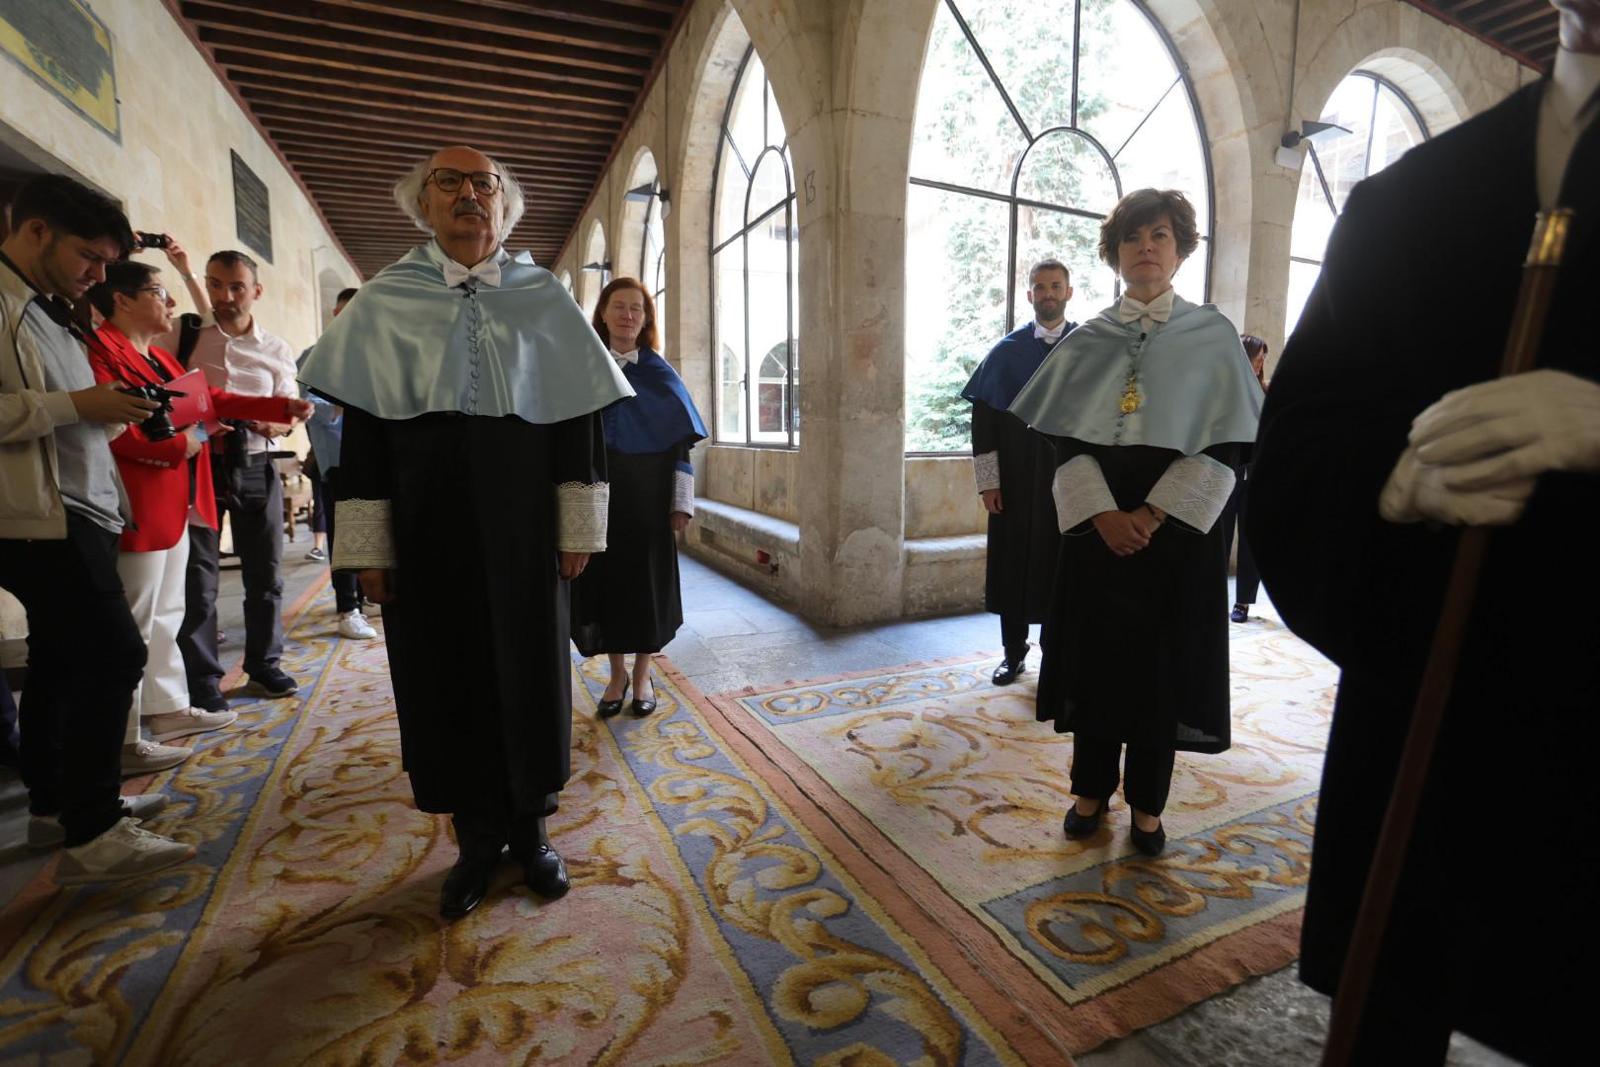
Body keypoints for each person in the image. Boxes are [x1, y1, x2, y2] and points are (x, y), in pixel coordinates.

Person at [1246, 4, 1598, 1060]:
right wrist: (1386, 484)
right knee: (1393, 995)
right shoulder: (1411, 197)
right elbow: (1300, 441)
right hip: (1427, 727)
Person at [300, 145, 632, 920]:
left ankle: (533, 830)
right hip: (425, 523)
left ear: (504, 204)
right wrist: (368, 548)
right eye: (450, 182)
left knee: (530, 667)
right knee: (446, 674)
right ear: (423, 202)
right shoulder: (387, 299)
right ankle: (477, 843)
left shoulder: (541, 296)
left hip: (525, 525)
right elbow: (368, 439)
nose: (470, 195)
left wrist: (578, 524)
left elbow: (579, 422)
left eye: (485, 183)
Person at [1010, 189, 1261, 856]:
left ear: (1180, 249)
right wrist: (1103, 514)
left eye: (1159, 235)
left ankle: (1148, 803)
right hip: (1100, 537)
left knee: (1161, 668)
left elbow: (1227, 447)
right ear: (1116, 253)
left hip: (1174, 539)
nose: (1145, 247)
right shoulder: (1088, 339)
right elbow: (1062, 442)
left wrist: (1149, 515)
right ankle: (1088, 789)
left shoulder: (1213, 337)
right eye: (1132, 238)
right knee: (1097, 661)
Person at [0, 173, 194, 881]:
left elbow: (78, 416)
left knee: (59, 657)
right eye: (90, 256)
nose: (98, 275)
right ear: (36, 231)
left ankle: (57, 803)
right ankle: (96, 825)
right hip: (33, 515)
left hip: (78, 506)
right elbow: (54, 410)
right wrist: (77, 403)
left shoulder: (49, 309)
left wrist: (110, 487)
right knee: (114, 654)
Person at [85, 258, 310, 776]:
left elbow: (207, 400)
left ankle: (166, 710)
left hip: (182, 494)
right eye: (160, 292)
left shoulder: (154, 360)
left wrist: (280, 408)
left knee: (168, 610)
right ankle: (124, 735)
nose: (172, 302)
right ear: (122, 299)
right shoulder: (103, 353)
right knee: (135, 624)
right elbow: (120, 431)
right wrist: (186, 444)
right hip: (141, 499)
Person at [160, 249, 301, 706]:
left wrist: (271, 424)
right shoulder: (185, 335)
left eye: (237, 286)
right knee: (199, 578)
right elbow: (163, 396)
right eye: (216, 284)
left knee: (267, 575)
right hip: (200, 465)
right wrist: (204, 424)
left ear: (256, 291)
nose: (226, 295)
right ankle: (202, 681)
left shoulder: (276, 349)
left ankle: (264, 665)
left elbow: (288, 415)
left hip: (258, 466)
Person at [570, 278, 705, 716]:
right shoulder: (585, 367)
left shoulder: (660, 373)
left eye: (637, 309)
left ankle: (644, 675)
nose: (628, 315)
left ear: (645, 319)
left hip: (649, 497)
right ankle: (616, 674)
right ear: (603, 314)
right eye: (619, 306)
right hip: (599, 496)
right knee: (606, 584)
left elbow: (680, 443)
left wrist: (680, 501)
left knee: (647, 586)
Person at [962, 259, 1075, 685]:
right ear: (1029, 295)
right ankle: (1013, 654)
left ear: (1068, 292)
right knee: (1014, 564)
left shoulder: (1086, 348)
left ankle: (1057, 656)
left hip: (1069, 482)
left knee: (1060, 567)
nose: (1047, 293)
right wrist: (988, 482)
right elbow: (983, 425)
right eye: (1040, 286)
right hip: (1013, 483)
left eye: (1055, 285)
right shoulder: (1005, 353)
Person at [297, 287, 375, 640]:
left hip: (375, 456)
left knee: (373, 527)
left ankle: (366, 593)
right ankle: (348, 607)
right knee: (345, 534)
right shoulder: (314, 357)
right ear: (336, 314)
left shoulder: (378, 356)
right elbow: (311, 409)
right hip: (337, 458)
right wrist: (350, 403)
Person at [1217, 334, 1267, 622]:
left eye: (1263, 358)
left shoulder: (1267, 391)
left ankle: (1243, 603)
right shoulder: (1226, 393)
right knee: (1219, 538)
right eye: (1256, 356)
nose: (1260, 362)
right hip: (1228, 472)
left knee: (1250, 539)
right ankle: (1214, 594)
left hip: (1255, 474)